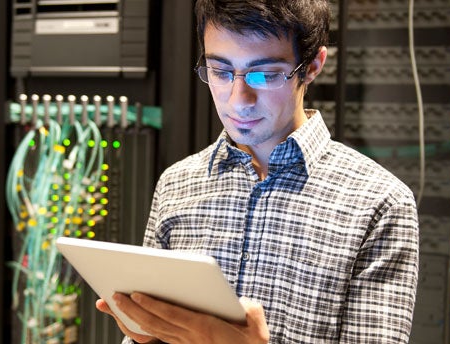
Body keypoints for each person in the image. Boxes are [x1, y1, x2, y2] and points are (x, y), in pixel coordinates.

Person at [96, 0, 419, 342]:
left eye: (264, 74)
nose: (239, 100)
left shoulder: (380, 203)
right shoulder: (178, 183)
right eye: (220, 72)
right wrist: (147, 333)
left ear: (312, 66)